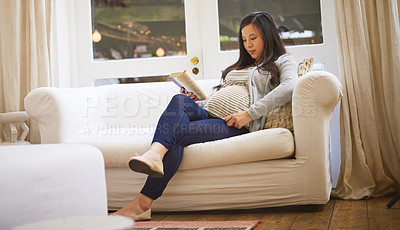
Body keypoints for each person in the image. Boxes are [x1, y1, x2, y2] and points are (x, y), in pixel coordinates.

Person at [111, 11, 298, 221]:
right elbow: (219, 98)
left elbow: (289, 87)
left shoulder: (283, 60)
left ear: (268, 34)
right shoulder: (240, 65)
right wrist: (198, 100)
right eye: (244, 40)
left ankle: (142, 203)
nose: (248, 45)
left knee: (176, 137)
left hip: (235, 123)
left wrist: (248, 114)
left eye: (253, 38)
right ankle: (155, 155)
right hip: (208, 112)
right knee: (180, 100)